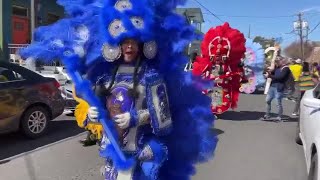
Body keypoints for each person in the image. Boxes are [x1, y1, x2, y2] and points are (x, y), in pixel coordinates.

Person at [19, 1, 217, 179]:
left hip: (142, 149)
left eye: (133, 42)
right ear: (118, 45)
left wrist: (136, 118)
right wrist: (92, 113)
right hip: (113, 148)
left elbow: (164, 120)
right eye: (124, 42)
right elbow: (98, 109)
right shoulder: (106, 77)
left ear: (141, 45)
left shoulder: (151, 76)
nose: (129, 47)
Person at [262, 57, 291, 122]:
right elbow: (271, 73)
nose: (277, 62)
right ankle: (267, 115)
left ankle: (279, 116)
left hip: (279, 87)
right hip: (272, 86)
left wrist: (270, 76)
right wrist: (266, 71)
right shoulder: (277, 68)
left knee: (278, 102)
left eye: (279, 61)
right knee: (267, 100)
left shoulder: (286, 69)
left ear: (283, 62)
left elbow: (280, 77)